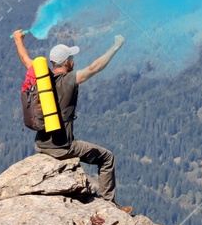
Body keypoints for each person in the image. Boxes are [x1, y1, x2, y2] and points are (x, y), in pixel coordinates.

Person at [13, 29, 128, 210]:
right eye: (71, 59)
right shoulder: (69, 80)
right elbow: (94, 68)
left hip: (41, 144)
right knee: (107, 158)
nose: (73, 62)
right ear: (67, 62)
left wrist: (18, 40)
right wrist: (115, 47)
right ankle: (109, 205)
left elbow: (25, 59)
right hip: (62, 147)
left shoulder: (43, 78)